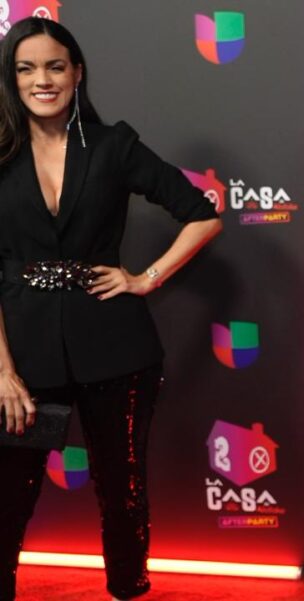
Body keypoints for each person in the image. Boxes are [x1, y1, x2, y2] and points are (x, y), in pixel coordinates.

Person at [0, 17, 222, 601]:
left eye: (55, 66)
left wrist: (146, 279)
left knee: (122, 489)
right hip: (24, 355)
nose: (42, 80)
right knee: (9, 495)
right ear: (11, 79)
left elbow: (202, 216)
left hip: (115, 346)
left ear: (76, 73)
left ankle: (129, 587)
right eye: (26, 68)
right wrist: (3, 371)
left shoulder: (111, 146)